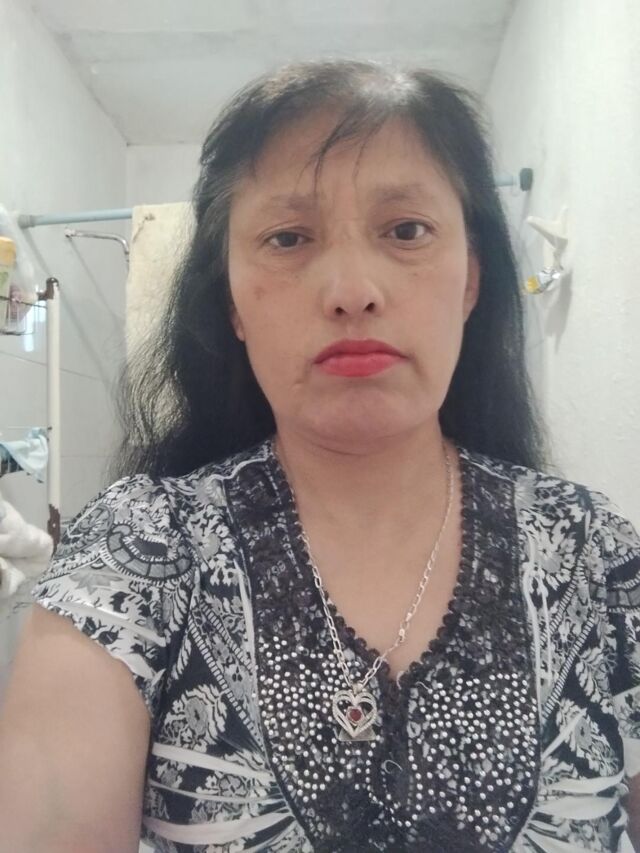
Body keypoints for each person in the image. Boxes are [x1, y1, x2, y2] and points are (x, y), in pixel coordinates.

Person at [0, 59, 639, 853]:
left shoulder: (594, 552)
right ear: (232, 302)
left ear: (471, 280)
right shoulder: (136, 553)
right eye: (288, 237)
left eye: (406, 230)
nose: (351, 288)